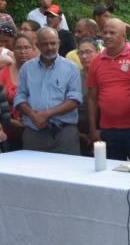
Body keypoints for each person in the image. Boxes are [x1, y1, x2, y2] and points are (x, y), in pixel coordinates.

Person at [86, 19, 130, 161]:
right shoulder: (96, 61)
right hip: (107, 130)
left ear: (123, 36)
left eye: (112, 33)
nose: (107, 36)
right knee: (112, 173)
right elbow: (92, 97)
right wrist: (93, 129)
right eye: (105, 32)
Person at [14, 27, 82, 155]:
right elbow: (20, 97)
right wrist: (32, 114)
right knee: (32, 173)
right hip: (34, 133)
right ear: (37, 45)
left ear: (59, 43)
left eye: (53, 43)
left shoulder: (71, 68)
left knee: (68, 172)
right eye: (45, 44)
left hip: (64, 134)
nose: (50, 47)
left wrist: (46, 114)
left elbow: (74, 100)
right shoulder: (27, 68)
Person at [0, 33, 34, 151]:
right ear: (13, 49)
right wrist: (11, 121)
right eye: (18, 48)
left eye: (26, 47)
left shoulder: (41, 72)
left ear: (33, 49)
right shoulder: (4, 73)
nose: (22, 51)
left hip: (35, 127)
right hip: (9, 128)